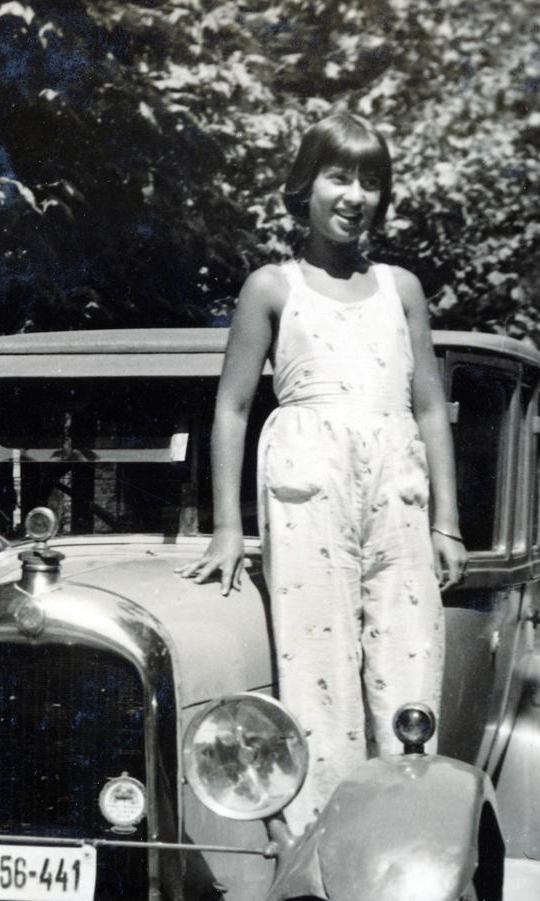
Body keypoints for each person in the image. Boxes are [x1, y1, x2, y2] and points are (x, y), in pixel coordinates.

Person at [178, 111, 468, 835]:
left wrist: (446, 523)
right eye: (340, 176)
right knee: (316, 666)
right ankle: (321, 851)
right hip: (308, 483)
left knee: (408, 659)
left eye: (371, 181)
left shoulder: (401, 290)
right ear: (304, 187)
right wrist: (227, 529)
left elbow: (432, 411)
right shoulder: (273, 288)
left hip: (396, 486)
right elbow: (232, 409)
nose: (355, 195)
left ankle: (404, 844)